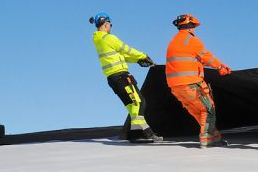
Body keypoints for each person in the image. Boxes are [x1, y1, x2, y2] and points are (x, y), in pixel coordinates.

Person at [89, 12, 162, 143]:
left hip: (113, 79)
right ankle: (140, 133)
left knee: (132, 106)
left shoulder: (99, 41)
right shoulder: (108, 38)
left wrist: (138, 61)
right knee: (139, 102)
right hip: (121, 77)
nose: (110, 27)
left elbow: (122, 56)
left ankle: (143, 134)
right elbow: (127, 50)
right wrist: (143, 56)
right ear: (106, 24)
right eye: (110, 25)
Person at [165, 13, 232, 148]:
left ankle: (216, 138)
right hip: (191, 83)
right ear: (190, 28)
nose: (195, 29)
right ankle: (206, 139)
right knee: (208, 109)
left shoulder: (174, 42)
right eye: (194, 27)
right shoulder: (192, 40)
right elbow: (206, 56)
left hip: (176, 86)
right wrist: (220, 66)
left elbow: (192, 60)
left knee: (199, 111)